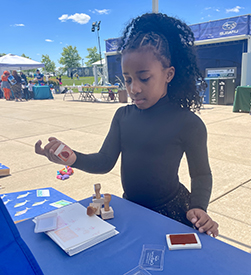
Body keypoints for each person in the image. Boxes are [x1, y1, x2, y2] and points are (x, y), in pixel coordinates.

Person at [35, 13, 219, 237]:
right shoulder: (123, 116)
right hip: (131, 208)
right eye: (128, 79)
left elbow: (201, 174)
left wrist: (199, 206)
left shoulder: (189, 123)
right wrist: (72, 157)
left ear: (168, 74)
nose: (134, 88)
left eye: (144, 78)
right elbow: (104, 161)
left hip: (172, 212)